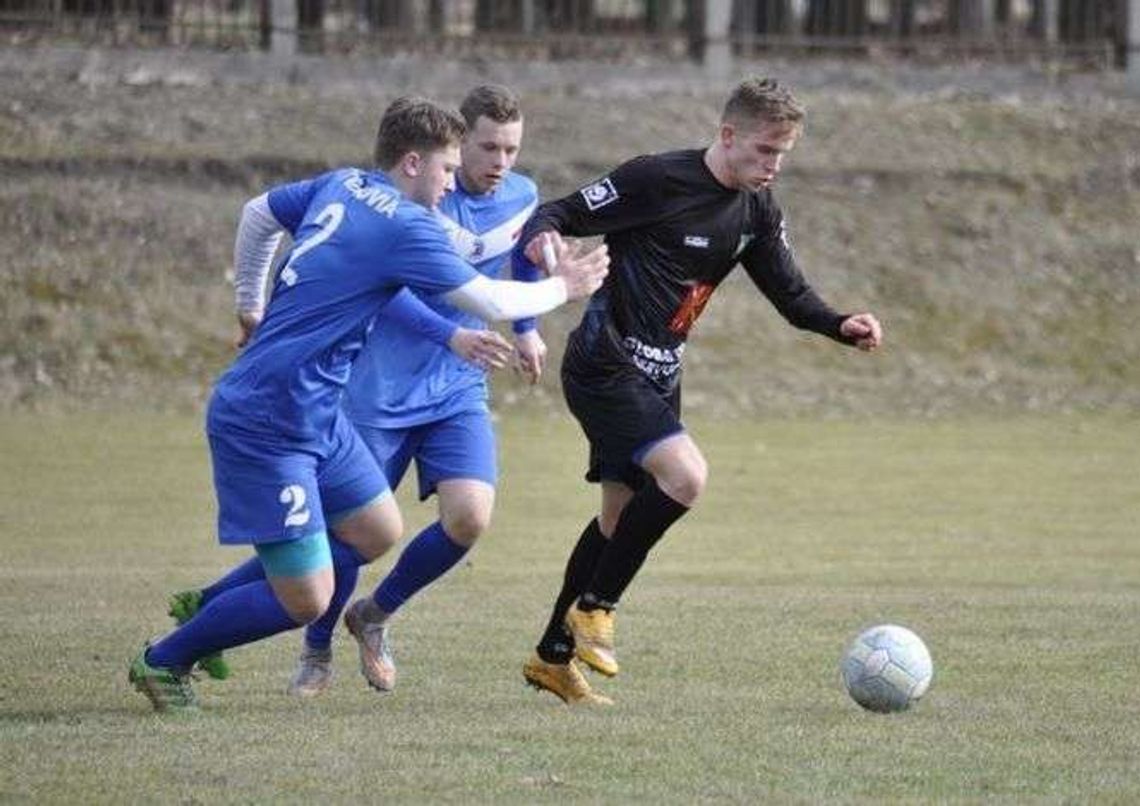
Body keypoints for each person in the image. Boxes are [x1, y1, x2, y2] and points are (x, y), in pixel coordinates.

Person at [128, 96, 608, 712]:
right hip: (268, 420)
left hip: (319, 413)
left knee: (376, 528)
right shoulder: (406, 226)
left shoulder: (342, 183)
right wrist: (564, 287)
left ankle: (212, 609)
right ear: (412, 163)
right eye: (445, 169)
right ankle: (164, 659)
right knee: (306, 598)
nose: (449, 184)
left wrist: (249, 303)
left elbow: (257, 213)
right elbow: (489, 300)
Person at [516, 77, 883, 706]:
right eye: (765, 150)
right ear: (728, 135)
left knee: (617, 520)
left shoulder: (757, 211)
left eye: (783, 154)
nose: (774, 165)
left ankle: (552, 658)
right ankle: (596, 608)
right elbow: (558, 211)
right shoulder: (656, 179)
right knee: (686, 477)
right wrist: (546, 242)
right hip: (604, 363)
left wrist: (839, 324)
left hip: (660, 376)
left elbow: (791, 296)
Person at [286, 83, 546, 697]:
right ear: (458, 142)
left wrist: (528, 330)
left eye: (511, 149)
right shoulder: (419, 196)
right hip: (377, 388)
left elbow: (524, 257)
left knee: (470, 517)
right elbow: (387, 287)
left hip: (456, 388)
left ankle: (374, 615)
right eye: (488, 147)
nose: (500, 162)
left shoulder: (522, 194)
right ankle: (316, 649)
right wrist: (449, 335)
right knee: (353, 535)